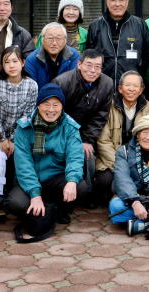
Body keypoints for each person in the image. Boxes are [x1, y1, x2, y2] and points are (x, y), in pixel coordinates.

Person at [9, 84, 88, 231]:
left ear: (62, 107)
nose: (51, 110)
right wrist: (34, 194)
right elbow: (23, 164)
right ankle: (40, 208)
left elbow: (75, 157)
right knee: (16, 203)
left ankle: (59, 210)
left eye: (55, 105)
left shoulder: (70, 127)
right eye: (46, 104)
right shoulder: (24, 127)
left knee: (80, 186)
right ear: (38, 105)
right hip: (31, 179)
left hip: (55, 179)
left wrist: (71, 181)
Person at [53, 49, 114, 206]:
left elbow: (100, 116)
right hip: (62, 132)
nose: (93, 70)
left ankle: (87, 195)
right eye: (88, 65)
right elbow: (56, 115)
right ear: (79, 64)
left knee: (88, 154)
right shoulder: (62, 82)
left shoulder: (107, 83)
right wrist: (75, 140)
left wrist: (87, 140)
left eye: (97, 67)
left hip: (88, 133)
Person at [0, 47, 38, 199]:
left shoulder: (31, 85)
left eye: (15, 61)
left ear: (22, 63)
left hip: (20, 134)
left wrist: (14, 140)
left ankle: (17, 193)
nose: (11, 65)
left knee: (20, 157)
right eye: (7, 62)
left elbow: (28, 115)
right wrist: (2, 139)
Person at [96, 71, 149, 203]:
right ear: (120, 88)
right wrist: (121, 166)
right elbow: (103, 141)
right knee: (105, 180)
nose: (131, 89)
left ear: (141, 90)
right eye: (127, 85)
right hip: (112, 158)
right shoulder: (108, 106)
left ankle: (128, 198)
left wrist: (136, 166)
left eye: (135, 86)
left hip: (139, 158)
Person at [86, 0, 149, 86]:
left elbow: (147, 56)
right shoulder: (95, 26)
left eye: (121, 0)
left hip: (130, 86)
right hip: (101, 84)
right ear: (107, 1)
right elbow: (89, 56)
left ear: (127, 1)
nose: (117, 4)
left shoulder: (140, 25)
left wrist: (137, 75)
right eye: (113, 0)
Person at [25, 23, 80, 88]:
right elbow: (32, 88)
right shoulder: (32, 59)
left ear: (65, 40)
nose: (54, 43)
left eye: (58, 38)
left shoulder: (73, 55)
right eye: (50, 38)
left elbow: (75, 84)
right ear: (42, 40)